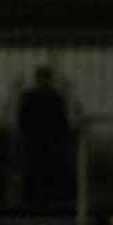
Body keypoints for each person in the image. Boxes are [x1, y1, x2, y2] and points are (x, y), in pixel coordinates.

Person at [15, 65, 74, 209]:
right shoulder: (55, 97)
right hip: (47, 144)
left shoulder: (30, 97)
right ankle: (44, 203)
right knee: (45, 175)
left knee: (36, 175)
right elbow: (63, 123)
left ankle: (33, 204)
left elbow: (22, 120)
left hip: (36, 144)